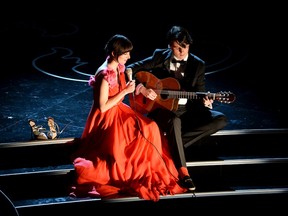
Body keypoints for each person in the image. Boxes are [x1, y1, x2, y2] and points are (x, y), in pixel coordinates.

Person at [69, 34, 187, 202]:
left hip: (118, 109)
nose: (129, 57)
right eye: (125, 54)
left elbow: (126, 86)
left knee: (151, 126)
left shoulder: (119, 67)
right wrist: (124, 92)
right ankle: (136, 168)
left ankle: (149, 165)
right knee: (143, 130)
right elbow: (102, 107)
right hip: (107, 117)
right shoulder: (104, 75)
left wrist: (139, 89)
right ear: (114, 53)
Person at [126, 25, 228, 191]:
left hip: (187, 110)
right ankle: (183, 172)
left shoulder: (198, 65)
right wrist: (142, 88)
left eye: (185, 46)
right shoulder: (160, 56)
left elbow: (200, 93)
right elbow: (131, 70)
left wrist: (206, 101)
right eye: (176, 47)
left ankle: (169, 146)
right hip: (163, 110)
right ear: (169, 46)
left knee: (220, 119)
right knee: (174, 120)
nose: (181, 51)